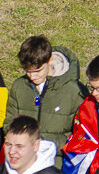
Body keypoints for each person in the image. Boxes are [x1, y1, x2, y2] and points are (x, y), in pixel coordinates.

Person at [4, 37, 87, 166]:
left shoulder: (75, 91)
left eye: (37, 71)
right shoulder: (19, 86)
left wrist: (44, 142)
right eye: (28, 71)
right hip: (22, 163)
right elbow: (9, 124)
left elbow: (82, 136)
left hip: (57, 164)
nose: (32, 76)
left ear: (50, 60)